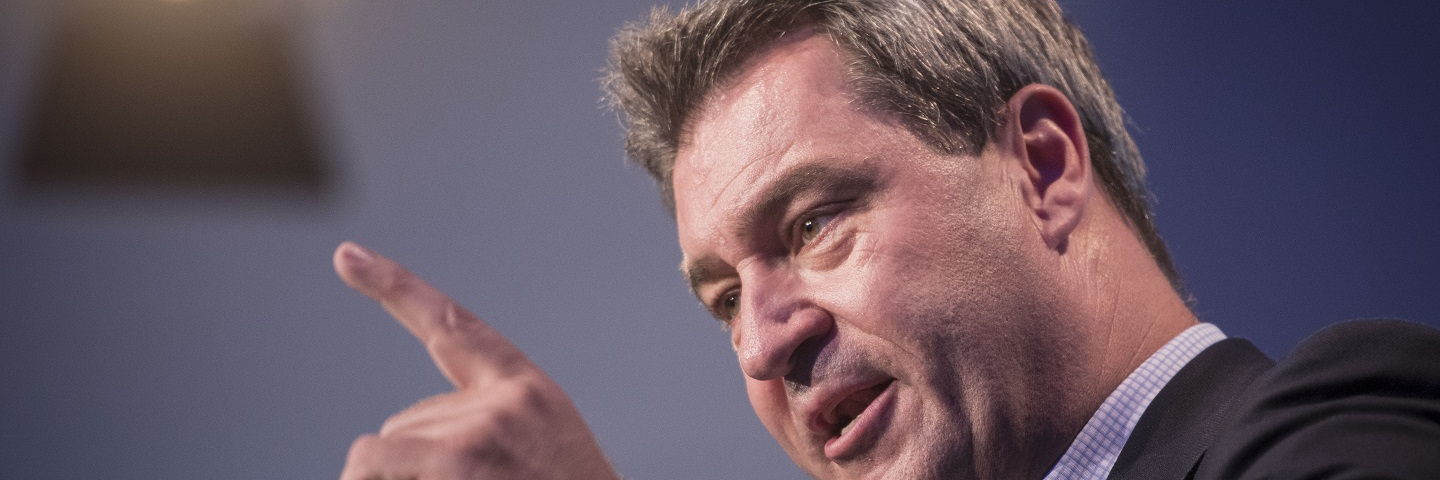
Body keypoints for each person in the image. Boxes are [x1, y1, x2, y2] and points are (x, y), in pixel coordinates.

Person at [331, 1, 1440, 479]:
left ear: (1043, 168)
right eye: (721, 297)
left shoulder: (1342, 422)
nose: (763, 343)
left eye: (811, 223)